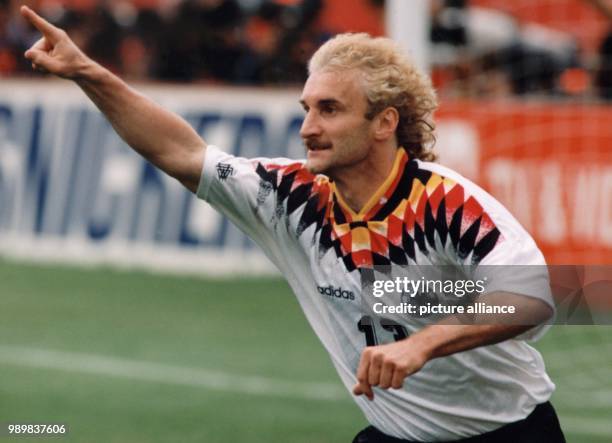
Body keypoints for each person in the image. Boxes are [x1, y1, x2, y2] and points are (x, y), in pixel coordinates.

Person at [19, 6, 566, 442]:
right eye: (306, 108)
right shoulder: (290, 197)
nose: (307, 127)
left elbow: (534, 293)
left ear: (384, 122)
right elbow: (183, 152)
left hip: (507, 434)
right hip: (393, 435)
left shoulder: (446, 202)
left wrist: (424, 344)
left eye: (329, 110)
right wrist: (85, 71)